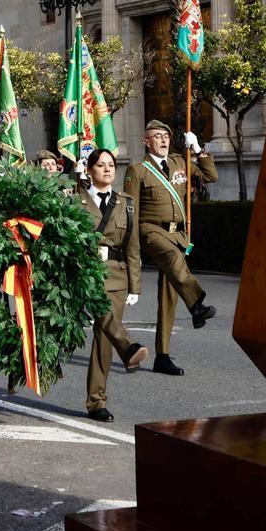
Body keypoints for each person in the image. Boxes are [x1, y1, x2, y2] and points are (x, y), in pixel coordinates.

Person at [122, 119, 217, 376]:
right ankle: (197, 305)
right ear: (146, 142)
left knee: (169, 295)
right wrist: (132, 253)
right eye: (157, 136)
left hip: (177, 235)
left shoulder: (179, 162)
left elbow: (211, 176)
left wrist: (198, 149)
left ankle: (162, 357)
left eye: (166, 136)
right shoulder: (137, 170)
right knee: (174, 258)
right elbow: (130, 212)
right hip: (150, 231)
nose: (164, 139)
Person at [78, 148, 148, 421]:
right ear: (90, 170)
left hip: (117, 277)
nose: (107, 169)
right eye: (101, 165)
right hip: (87, 274)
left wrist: (134, 286)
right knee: (106, 319)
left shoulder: (126, 203)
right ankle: (129, 347)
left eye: (111, 165)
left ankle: (97, 402)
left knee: (103, 339)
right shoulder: (76, 202)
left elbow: (133, 247)